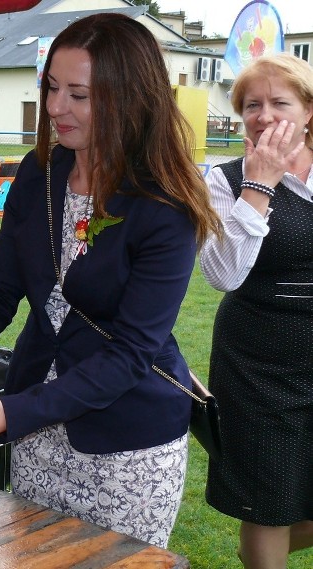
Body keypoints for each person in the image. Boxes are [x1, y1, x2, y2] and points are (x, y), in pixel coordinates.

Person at [0, 13, 221, 549]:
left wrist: (12, 411)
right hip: (37, 434)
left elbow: (132, 353)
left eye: (79, 95)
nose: (56, 107)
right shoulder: (39, 172)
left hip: (125, 448)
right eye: (52, 88)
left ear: (129, 98)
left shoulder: (164, 208)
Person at [199, 52, 313, 569]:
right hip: (258, 366)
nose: (264, 115)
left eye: (279, 102)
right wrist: (260, 184)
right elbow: (224, 274)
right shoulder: (222, 180)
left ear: (308, 111)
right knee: (268, 503)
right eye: (251, 105)